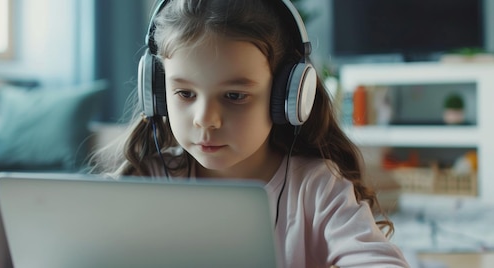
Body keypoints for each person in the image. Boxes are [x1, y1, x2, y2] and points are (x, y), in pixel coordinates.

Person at [89, 0, 409, 267]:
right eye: (185, 94)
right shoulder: (147, 182)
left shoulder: (316, 188)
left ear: (286, 98)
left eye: (234, 96)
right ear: (157, 93)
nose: (206, 120)